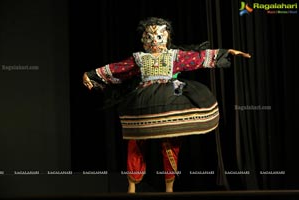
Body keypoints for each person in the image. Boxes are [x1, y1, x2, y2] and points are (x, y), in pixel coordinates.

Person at [82, 17, 251, 193]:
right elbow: (118, 68)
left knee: (170, 142)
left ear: (167, 37)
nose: (154, 41)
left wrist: (226, 52)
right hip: (143, 101)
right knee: (136, 141)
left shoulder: (174, 57)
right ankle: (131, 186)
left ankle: (169, 188)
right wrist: (92, 75)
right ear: (143, 39)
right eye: (149, 37)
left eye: (159, 36)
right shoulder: (139, 59)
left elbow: (198, 58)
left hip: (169, 99)